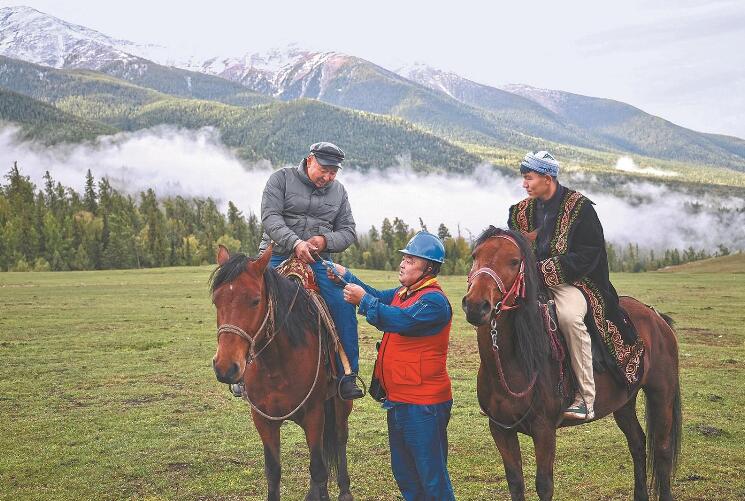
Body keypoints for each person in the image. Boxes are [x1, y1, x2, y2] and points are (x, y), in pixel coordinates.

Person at [507, 151, 637, 420]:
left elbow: (590, 253)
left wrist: (545, 270)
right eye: (523, 178)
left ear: (547, 177)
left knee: (568, 318)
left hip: (575, 282)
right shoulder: (519, 212)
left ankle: (586, 398)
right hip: (529, 281)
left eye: (529, 178)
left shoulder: (580, 208)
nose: (524, 184)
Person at [330, 231, 456, 501]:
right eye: (404, 259)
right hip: (398, 400)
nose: (402, 264)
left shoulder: (433, 301)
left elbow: (397, 319)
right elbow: (376, 296)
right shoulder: (404, 292)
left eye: (411, 260)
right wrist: (346, 275)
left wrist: (363, 301)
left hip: (423, 405)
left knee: (432, 479)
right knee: (406, 475)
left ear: (429, 268)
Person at [242, 141, 363, 400]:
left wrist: (325, 241)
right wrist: (295, 243)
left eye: (334, 172)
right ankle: (241, 369)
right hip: (275, 254)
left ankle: (347, 374)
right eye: (324, 170)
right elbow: (270, 217)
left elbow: (349, 230)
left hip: (318, 259)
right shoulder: (280, 179)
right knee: (246, 299)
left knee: (342, 302)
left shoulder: (338, 192)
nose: (328, 177)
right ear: (310, 160)